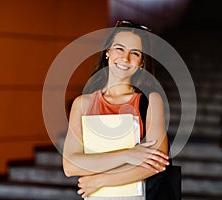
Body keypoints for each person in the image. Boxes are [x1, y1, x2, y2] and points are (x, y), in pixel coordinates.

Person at [63, 20, 169, 200]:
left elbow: (157, 164)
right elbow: (70, 165)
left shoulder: (150, 101)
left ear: (142, 62)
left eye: (134, 53)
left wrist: (100, 180)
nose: (125, 58)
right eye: (119, 48)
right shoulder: (82, 104)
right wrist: (129, 154)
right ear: (107, 52)